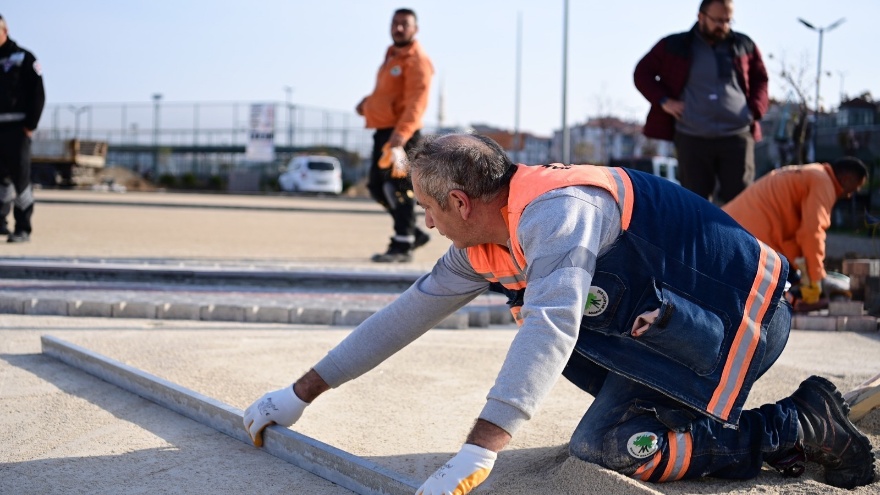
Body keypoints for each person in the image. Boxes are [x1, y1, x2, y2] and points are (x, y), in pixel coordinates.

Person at [244, 134, 875, 493]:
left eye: (428, 210)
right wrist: (299, 394)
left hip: (742, 317)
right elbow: (405, 316)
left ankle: (795, 425)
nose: (425, 222)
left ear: (460, 201)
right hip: (670, 322)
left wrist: (479, 450)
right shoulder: (485, 240)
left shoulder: (558, 214)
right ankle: (706, 408)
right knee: (582, 356)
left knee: (608, 444)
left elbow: (552, 322)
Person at [634, 0, 768, 204]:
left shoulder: (744, 45)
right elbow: (642, 72)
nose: (723, 26)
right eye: (717, 20)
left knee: (742, 204)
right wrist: (664, 101)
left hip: (737, 136)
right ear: (701, 17)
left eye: (728, 20)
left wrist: (753, 110)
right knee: (695, 206)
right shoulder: (674, 45)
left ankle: (738, 238)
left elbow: (761, 79)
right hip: (692, 137)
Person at [723, 157, 869, 307]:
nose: (852, 194)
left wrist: (806, 273)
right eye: (856, 187)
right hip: (749, 238)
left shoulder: (813, 174)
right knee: (781, 293)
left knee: (789, 278)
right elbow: (812, 232)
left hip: (734, 227)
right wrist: (817, 278)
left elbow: (797, 235)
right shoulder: (823, 182)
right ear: (847, 178)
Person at [356, 8, 434, 262]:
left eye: (405, 24)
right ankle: (412, 232)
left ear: (415, 29)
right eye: (395, 23)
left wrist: (401, 136)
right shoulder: (393, 56)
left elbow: (416, 103)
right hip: (384, 134)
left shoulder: (416, 60)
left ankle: (402, 244)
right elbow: (389, 94)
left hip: (403, 138)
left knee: (398, 185)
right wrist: (367, 104)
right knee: (377, 186)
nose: (398, 28)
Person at [0, 14, 44, 243]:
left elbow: (38, 93)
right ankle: (0, 223)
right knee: (1, 181)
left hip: (17, 130)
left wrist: (30, 125)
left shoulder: (24, 58)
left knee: (21, 180)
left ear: (4, 30)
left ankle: (23, 228)